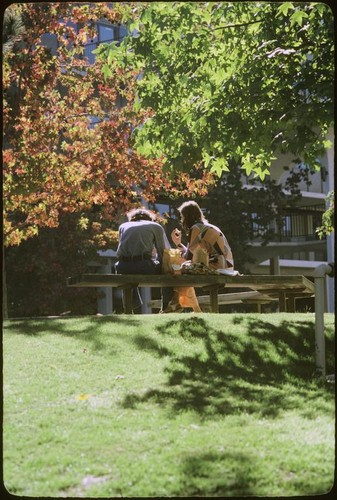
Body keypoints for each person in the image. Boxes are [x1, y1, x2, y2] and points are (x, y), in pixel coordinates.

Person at [115, 207, 171, 313]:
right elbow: (163, 252)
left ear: (132, 218)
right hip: (143, 265)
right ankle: (166, 307)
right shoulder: (155, 226)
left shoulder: (123, 226)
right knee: (167, 271)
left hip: (122, 266)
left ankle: (130, 307)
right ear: (150, 218)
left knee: (130, 273)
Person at [171, 200, 234, 270]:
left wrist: (177, 255)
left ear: (187, 216)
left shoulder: (196, 228)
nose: (182, 220)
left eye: (182, 217)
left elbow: (189, 257)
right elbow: (192, 252)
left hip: (218, 266)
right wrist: (178, 244)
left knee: (177, 267)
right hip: (227, 266)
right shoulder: (206, 227)